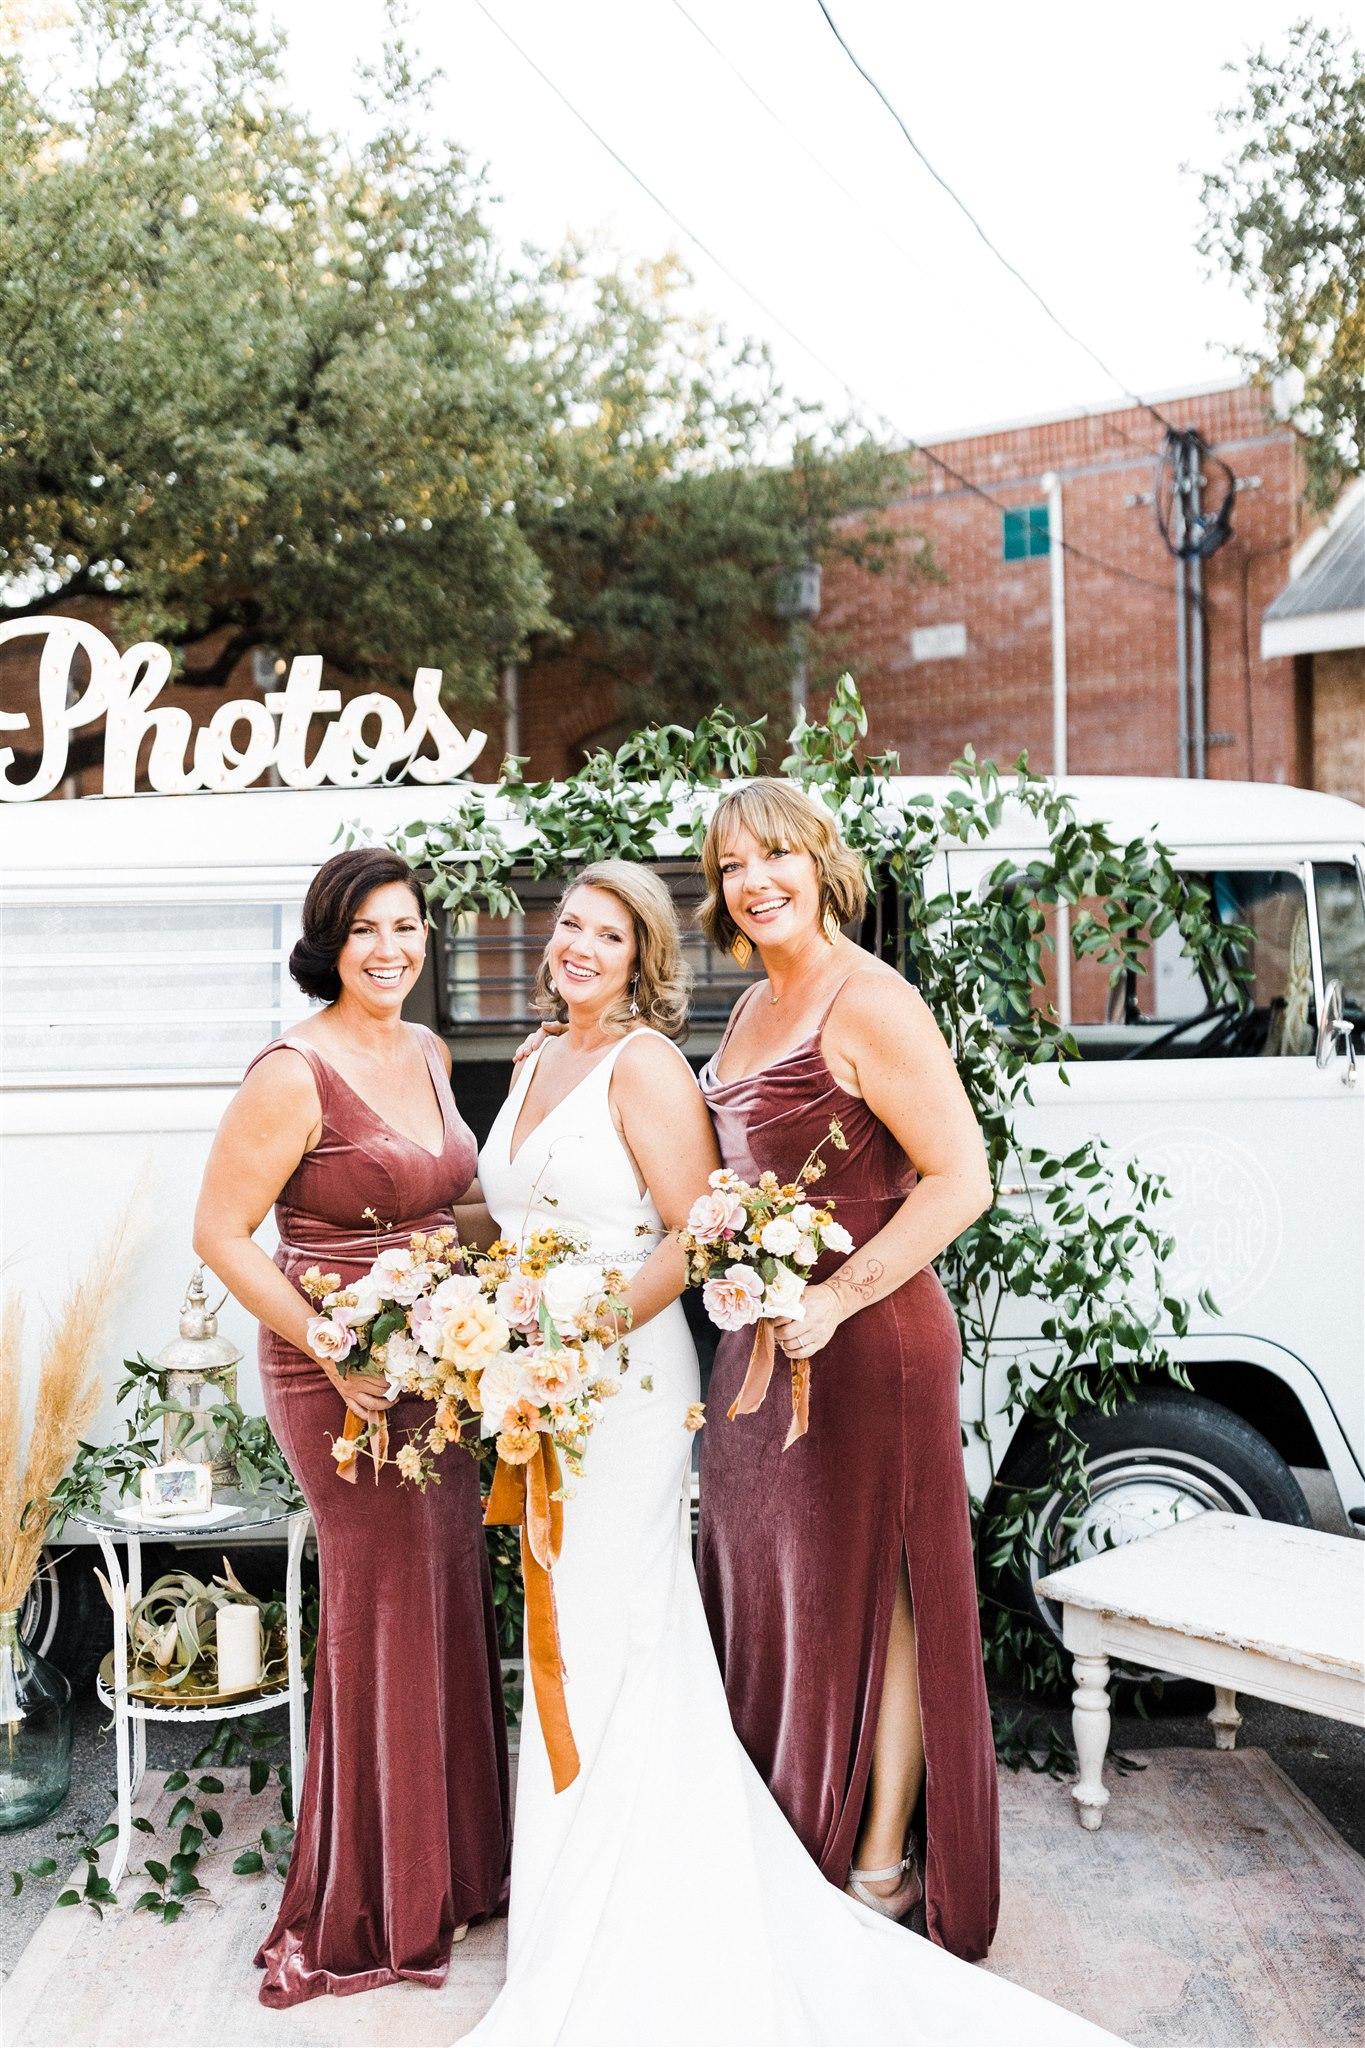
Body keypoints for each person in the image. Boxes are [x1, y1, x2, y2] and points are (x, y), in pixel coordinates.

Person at [464, 857, 1122, 2047]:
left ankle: (852, 1861)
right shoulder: (621, 1039)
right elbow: (553, 1214)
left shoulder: (724, 1040)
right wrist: (446, 1301)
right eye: (568, 924)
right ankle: (611, 1867)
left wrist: (582, 1332)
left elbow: (724, 1218)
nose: (580, 946)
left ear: (644, 957)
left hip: (703, 1360)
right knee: (661, 1609)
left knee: (731, 1606)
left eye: (610, 933)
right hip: (667, 1360)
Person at [193, 846, 509, 2007]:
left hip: (440, 1360)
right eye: (366, 928)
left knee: (445, 1589)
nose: (390, 947)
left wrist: (547, 1256)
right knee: (384, 1607)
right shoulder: (293, 1072)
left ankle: (455, 1870)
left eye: (407, 924)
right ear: (329, 942)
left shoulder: (426, 1050)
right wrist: (336, 1343)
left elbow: (452, 1200)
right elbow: (221, 1232)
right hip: (338, 1369)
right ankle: (378, 1896)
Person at [694, 778, 1000, 1960]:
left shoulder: (872, 1000)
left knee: (887, 1591)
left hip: (869, 1339)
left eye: (775, 854)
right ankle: (792, 1822)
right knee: (786, 1587)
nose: (754, 880)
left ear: (821, 862)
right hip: (764, 1347)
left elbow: (961, 1179)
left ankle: (876, 1858)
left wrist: (834, 1297)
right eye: (731, 865)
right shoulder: (747, 1006)